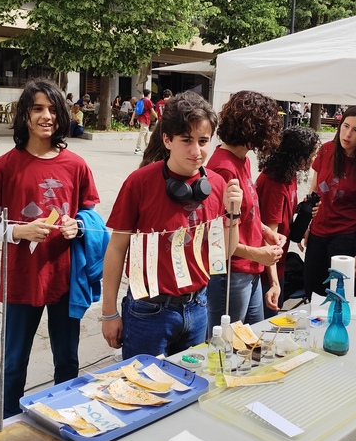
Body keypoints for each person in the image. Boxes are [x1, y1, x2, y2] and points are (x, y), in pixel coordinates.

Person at [0, 79, 99, 418]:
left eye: (52, 109)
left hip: (65, 278)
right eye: (37, 109)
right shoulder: (4, 166)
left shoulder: (76, 165)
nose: (46, 116)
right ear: (25, 115)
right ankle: (8, 424)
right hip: (20, 279)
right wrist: (19, 231)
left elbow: (90, 214)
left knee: (67, 358)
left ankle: (66, 416)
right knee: (14, 361)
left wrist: (79, 226)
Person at [101, 92, 243, 359]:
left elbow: (224, 253)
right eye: (186, 141)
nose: (196, 151)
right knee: (144, 388)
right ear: (167, 139)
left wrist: (232, 215)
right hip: (148, 310)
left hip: (198, 306)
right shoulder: (139, 183)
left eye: (203, 141)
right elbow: (117, 248)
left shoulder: (217, 185)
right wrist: (109, 312)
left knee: (189, 388)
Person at [206, 91, 284, 327]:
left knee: (250, 341)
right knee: (229, 346)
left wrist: (265, 232)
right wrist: (256, 253)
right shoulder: (224, 168)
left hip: (249, 269)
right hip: (232, 273)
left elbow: (246, 213)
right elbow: (216, 235)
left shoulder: (242, 160)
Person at [304, 105, 356, 297]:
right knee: (313, 293)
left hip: (346, 236)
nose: (347, 134)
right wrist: (306, 224)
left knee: (341, 296)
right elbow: (313, 191)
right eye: (345, 126)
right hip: (318, 232)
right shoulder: (326, 150)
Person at [256, 127, 321, 306]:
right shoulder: (275, 183)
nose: (314, 158)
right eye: (312, 153)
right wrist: (275, 283)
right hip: (267, 271)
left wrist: (303, 220)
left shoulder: (288, 174)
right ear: (299, 154)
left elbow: (284, 218)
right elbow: (269, 236)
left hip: (279, 264)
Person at [131, 89, 156, 154]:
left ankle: (148, 148)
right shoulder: (148, 101)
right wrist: (158, 117)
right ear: (148, 94)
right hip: (145, 119)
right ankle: (138, 148)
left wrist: (132, 119)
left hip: (140, 119)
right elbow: (152, 111)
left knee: (146, 134)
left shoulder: (140, 100)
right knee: (142, 134)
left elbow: (135, 111)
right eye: (150, 94)